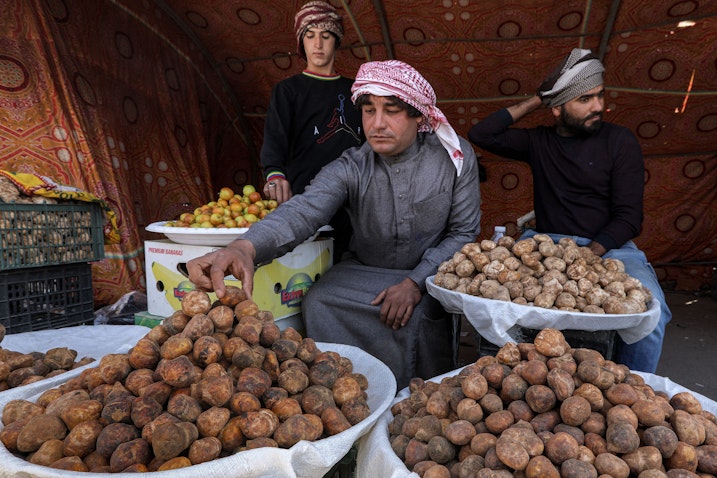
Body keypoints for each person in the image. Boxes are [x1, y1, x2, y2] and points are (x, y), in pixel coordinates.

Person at [188, 60, 482, 389]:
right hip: (363, 272)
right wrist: (245, 248)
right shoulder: (352, 165)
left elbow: (464, 233)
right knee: (319, 300)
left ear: (418, 115)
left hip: (429, 276)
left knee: (417, 316)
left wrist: (414, 283)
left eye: (392, 110)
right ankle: (343, 394)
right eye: (369, 111)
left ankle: (415, 403)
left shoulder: (454, 158)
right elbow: (303, 210)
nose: (377, 123)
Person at [468, 48, 671, 373]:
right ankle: (512, 380)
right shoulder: (539, 142)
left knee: (652, 314)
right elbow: (481, 133)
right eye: (585, 99)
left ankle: (633, 390)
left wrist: (590, 253)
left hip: (610, 247)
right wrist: (539, 98)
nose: (598, 106)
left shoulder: (619, 141)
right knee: (497, 302)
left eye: (599, 96)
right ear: (558, 109)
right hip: (544, 244)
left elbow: (630, 216)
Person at [260, 1, 364, 262]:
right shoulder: (288, 91)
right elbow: (274, 141)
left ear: (336, 42)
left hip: (356, 203)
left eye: (326, 36)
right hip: (306, 199)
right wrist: (275, 176)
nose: (318, 44)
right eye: (310, 36)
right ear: (301, 43)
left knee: (348, 265)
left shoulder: (358, 92)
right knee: (306, 267)